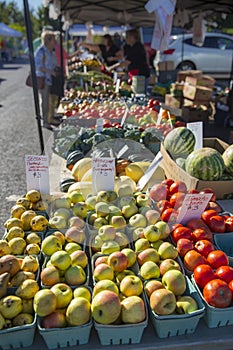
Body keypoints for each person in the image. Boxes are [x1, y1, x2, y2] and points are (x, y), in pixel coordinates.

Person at [108, 29, 150, 94]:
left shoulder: (137, 47)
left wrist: (112, 67)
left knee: (139, 93)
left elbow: (127, 61)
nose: (126, 39)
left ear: (132, 37)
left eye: (127, 37)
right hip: (134, 73)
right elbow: (123, 55)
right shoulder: (129, 46)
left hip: (140, 75)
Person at [34, 30, 60, 130]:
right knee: (45, 101)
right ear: (48, 41)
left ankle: (50, 118)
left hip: (50, 79)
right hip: (43, 80)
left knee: (51, 100)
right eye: (54, 40)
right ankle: (45, 121)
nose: (55, 43)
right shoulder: (41, 51)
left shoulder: (49, 51)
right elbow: (38, 67)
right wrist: (50, 71)